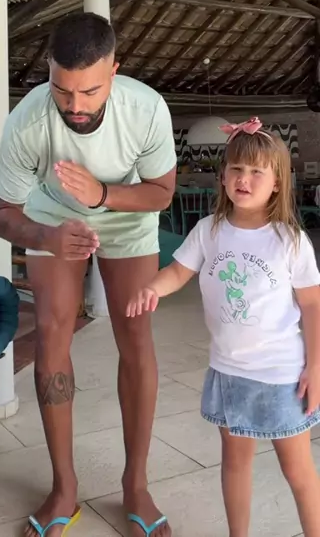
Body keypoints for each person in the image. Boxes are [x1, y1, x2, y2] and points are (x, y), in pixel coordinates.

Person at [0, 12, 177, 537]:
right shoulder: (27, 121)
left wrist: (101, 195)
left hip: (127, 215)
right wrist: (46, 237)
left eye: (90, 92)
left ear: (114, 71)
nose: (74, 105)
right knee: (52, 332)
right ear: (49, 71)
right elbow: (2, 214)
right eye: (62, 89)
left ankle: (136, 485)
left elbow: (162, 192)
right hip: (53, 219)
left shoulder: (146, 110)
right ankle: (64, 488)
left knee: (135, 337)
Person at [127, 118, 320, 537]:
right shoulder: (209, 231)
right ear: (223, 176)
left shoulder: (289, 240)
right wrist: (153, 287)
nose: (244, 179)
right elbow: (178, 272)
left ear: (277, 182)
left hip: (281, 376)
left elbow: (312, 305)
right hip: (229, 372)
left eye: (256, 172)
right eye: (236, 169)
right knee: (234, 463)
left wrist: (316, 367)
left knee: (297, 469)